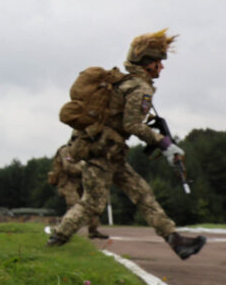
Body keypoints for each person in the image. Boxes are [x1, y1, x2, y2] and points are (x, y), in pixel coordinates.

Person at [47, 30, 204, 259]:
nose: (162, 67)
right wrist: (164, 143)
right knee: (92, 203)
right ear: (148, 64)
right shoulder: (139, 88)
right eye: (159, 62)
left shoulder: (126, 83)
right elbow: (131, 125)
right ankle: (55, 241)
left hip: (111, 154)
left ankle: (175, 240)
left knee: (143, 194)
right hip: (103, 154)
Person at [46, 137, 106, 239]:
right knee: (73, 205)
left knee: (92, 203)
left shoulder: (83, 152)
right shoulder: (65, 150)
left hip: (80, 182)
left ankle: (93, 230)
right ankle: (61, 231)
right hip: (67, 183)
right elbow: (69, 168)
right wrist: (86, 167)